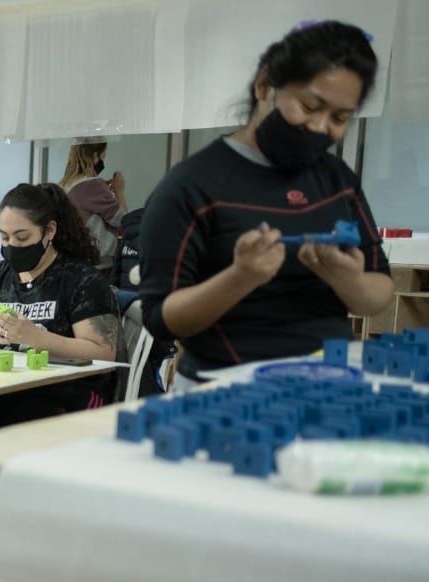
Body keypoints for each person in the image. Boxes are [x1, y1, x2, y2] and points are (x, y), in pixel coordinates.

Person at [138, 20, 393, 390]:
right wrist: (240, 277)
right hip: (226, 391)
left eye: (340, 118)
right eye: (309, 105)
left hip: (330, 382)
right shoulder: (192, 186)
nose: (320, 126)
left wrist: (347, 281)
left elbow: (380, 288)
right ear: (264, 85)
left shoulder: (338, 180)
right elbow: (162, 318)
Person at [0, 183, 119, 430]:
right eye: (5, 237)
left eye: (22, 237)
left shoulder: (80, 280)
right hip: (6, 386)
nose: (12, 246)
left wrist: (37, 338)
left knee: (24, 420)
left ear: (49, 231)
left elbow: (103, 353)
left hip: (66, 391)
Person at [60, 141, 128, 272]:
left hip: (75, 263)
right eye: (103, 155)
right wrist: (119, 191)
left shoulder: (66, 184)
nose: (103, 159)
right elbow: (123, 221)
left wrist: (103, 190)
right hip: (99, 266)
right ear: (95, 156)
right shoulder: (92, 185)